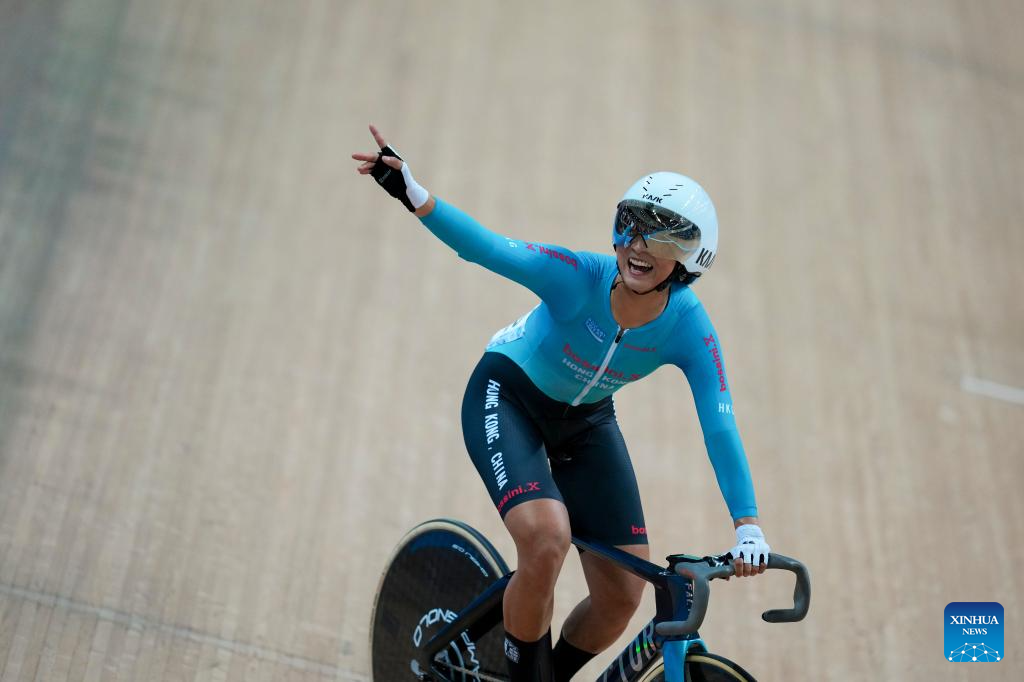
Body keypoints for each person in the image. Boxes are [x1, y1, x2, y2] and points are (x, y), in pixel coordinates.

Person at [353, 125, 770, 682]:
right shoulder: (579, 276)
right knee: (546, 538)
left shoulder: (691, 328)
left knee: (621, 597)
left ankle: (542, 674)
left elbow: (719, 424)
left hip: (586, 420)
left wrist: (748, 525)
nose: (640, 243)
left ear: (693, 258)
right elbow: (488, 248)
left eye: (663, 237)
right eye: (632, 225)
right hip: (509, 396)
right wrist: (413, 192)